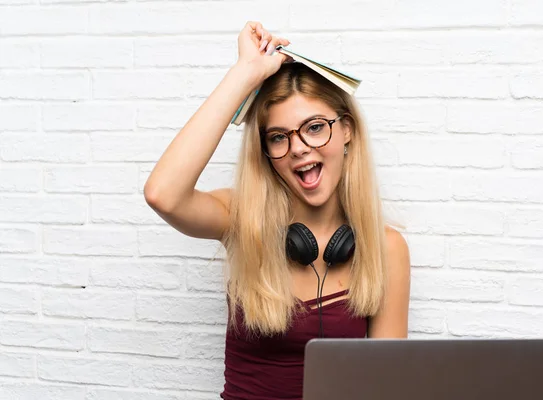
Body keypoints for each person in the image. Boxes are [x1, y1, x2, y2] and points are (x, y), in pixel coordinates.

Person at [144, 21, 411, 400]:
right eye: (279, 136)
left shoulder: (386, 248)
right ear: (266, 152)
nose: (299, 147)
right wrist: (245, 73)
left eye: (315, 127)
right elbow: (163, 194)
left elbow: (386, 386)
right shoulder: (241, 218)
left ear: (347, 130)